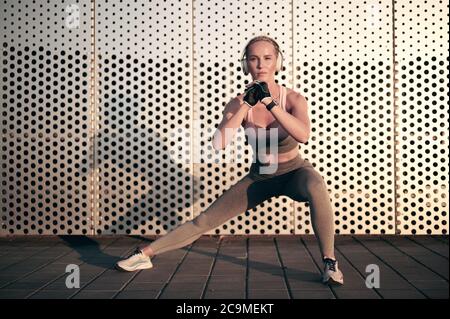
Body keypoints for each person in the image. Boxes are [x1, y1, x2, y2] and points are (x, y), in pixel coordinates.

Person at [115, 35, 344, 285]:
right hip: (261, 176)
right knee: (204, 220)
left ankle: (329, 263)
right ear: (246, 65)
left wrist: (269, 103)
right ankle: (144, 254)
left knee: (316, 186)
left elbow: (303, 135)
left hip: (294, 172)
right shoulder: (236, 104)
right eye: (254, 59)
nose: (261, 65)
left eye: (268, 58)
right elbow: (218, 144)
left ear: (277, 62)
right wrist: (246, 105)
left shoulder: (294, 99)